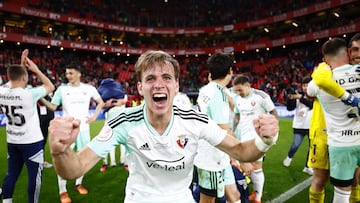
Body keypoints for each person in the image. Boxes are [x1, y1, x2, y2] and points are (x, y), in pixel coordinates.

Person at [48, 50, 279, 203]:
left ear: (177, 85)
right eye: (150, 79)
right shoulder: (123, 121)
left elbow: (241, 150)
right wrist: (60, 152)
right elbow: (75, 169)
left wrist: (264, 140)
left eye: (167, 78)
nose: (159, 85)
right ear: (139, 87)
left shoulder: (194, 120)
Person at [307, 33, 360, 203]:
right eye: (356, 50)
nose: (358, 54)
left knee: (353, 179)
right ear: (348, 52)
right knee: (320, 179)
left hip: (341, 139)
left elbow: (310, 90)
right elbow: (310, 91)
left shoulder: (320, 77)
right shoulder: (322, 74)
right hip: (322, 133)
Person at [40, 64, 104, 203]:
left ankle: (78, 183)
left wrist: (94, 117)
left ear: (79, 74)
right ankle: (63, 191)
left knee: (82, 159)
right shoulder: (62, 89)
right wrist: (41, 98)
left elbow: (101, 102)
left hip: (84, 129)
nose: (68, 76)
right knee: (63, 160)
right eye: (67, 73)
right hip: (67, 130)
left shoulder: (89, 89)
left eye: (70, 73)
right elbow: (53, 106)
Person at [0, 49, 54, 203]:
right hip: (32, 143)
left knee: (11, 174)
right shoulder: (30, 94)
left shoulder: (2, 91)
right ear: (24, 77)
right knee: (34, 178)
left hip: (12, 141)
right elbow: (50, 86)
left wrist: (20, 65)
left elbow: (13, 78)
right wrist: (35, 69)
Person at [195, 52, 240, 203]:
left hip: (218, 154)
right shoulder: (217, 94)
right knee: (208, 200)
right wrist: (242, 157)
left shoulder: (206, 90)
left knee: (234, 196)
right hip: (212, 156)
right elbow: (223, 131)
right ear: (230, 72)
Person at [232, 74, 278, 203]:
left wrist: (272, 135)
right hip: (244, 137)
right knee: (247, 165)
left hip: (259, 138)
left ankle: (258, 198)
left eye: (240, 90)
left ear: (248, 86)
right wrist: (233, 131)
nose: (238, 93)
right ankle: (255, 191)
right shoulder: (237, 98)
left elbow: (274, 112)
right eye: (236, 91)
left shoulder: (261, 96)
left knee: (257, 167)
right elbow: (237, 116)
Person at [283, 77, 314, 175]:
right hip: (299, 125)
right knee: (295, 145)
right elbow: (289, 108)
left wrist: (300, 97)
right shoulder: (298, 95)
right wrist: (290, 99)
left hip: (313, 126)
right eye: (304, 85)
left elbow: (312, 105)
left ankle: (308, 166)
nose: (306, 87)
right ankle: (289, 156)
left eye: (308, 85)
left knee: (312, 148)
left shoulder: (316, 96)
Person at [97, 78, 128, 172]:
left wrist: (112, 102)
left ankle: (125, 162)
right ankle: (109, 162)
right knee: (106, 142)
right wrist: (112, 102)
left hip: (122, 120)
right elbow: (103, 105)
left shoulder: (122, 95)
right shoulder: (103, 96)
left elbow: (123, 101)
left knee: (124, 142)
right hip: (109, 121)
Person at [37, 94, 55, 168]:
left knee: (42, 143)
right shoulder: (39, 99)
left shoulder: (48, 98)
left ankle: (40, 161)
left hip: (46, 124)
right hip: (40, 125)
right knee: (40, 143)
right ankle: (41, 161)